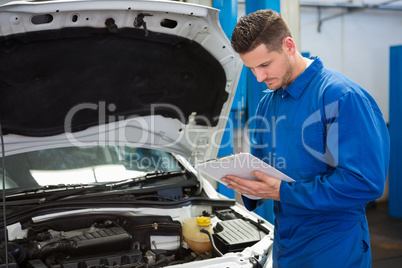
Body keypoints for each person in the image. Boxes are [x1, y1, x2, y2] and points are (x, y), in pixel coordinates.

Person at [221, 9, 390, 268]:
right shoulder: (268, 104)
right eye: (251, 68)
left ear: (289, 45)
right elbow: (265, 169)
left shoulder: (341, 96)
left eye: (265, 64)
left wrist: (283, 191)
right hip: (287, 243)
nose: (259, 77)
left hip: (334, 247)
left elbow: (364, 182)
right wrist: (246, 182)